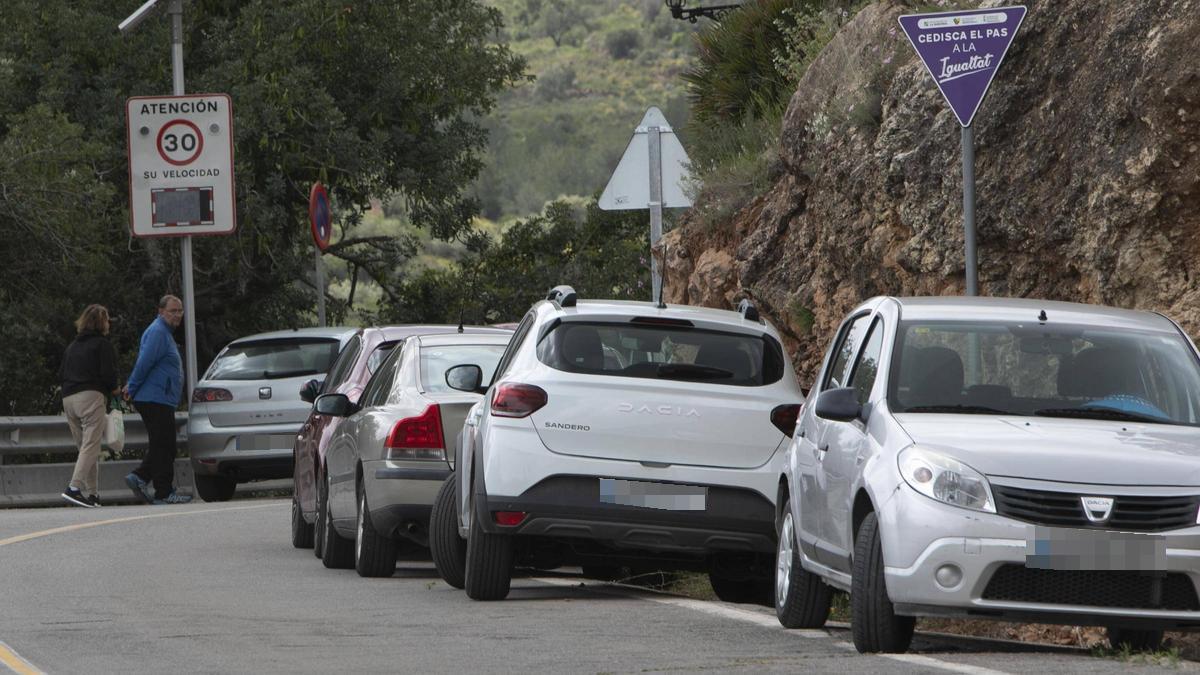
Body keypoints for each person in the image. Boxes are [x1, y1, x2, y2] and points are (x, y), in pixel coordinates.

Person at [123, 295, 192, 505]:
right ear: (161, 311)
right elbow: (144, 362)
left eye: (180, 311)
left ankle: (140, 477)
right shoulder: (158, 332)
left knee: (164, 445)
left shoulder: (163, 333)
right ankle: (163, 491)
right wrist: (131, 386)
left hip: (160, 398)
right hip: (154, 398)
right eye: (173, 311)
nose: (177, 315)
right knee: (164, 445)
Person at [59, 304, 120, 508]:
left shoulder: (72, 346)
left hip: (68, 399)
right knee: (91, 445)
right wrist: (115, 391)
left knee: (85, 447)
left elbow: (61, 373)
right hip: (90, 396)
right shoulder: (102, 344)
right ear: (102, 322)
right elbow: (108, 374)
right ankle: (74, 488)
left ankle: (93, 494)